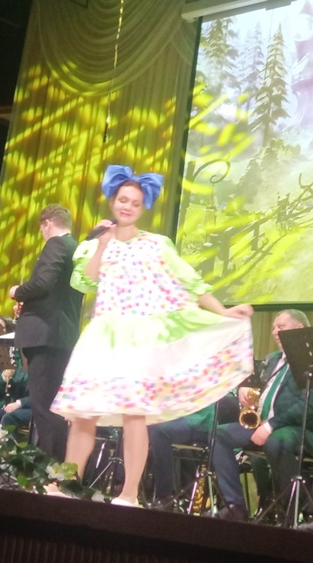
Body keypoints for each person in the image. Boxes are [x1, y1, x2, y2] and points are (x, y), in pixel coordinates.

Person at [50, 165, 254, 507]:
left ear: (143, 208)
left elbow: (190, 282)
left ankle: (129, 493)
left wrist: (223, 311)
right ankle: (66, 482)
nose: (127, 206)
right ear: (112, 201)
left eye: (135, 202)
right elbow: (84, 281)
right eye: (123, 200)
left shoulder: (156, 245)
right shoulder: (96, 243)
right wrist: (101, 245)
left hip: (138, 339)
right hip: (101, 336)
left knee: (135, 415)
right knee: (83, 412)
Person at [212, 309, 313, 522]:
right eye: (273, 327)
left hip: (296, 427)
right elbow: (255, 386)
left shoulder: (308, 361)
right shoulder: (271, 359)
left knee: (276, 441)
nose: (275, 332)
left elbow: (308, 404)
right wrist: (245, 391)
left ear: (299, 329)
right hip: (263, 424)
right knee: (219, 435)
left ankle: (299, 508)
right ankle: (234, 506)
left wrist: (271, 425)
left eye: (281, 327)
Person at [9, 204, 83, 460]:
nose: (42, 234)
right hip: (60, 336)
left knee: (44, 406)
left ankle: (51, 468)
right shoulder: (76, 249)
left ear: (47, 223)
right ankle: (54, 467)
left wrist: (18, 292)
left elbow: (43, 283)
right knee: (51, 406)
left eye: (41, 229)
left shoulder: (57, 244)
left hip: (46, 336)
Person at [147, 392, 239, 510]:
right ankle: (139, 491)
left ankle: (164, 497)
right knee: (143, 423)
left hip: (206, 419)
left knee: (159, 431)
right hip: (185, 412)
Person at [0, 316, 32, 436]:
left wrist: (19, 403)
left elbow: (35, 392)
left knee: (6, 417)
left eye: (0, 328)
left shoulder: (20, 357)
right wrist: (2, 379)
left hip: (19, 404)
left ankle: (5, 447)